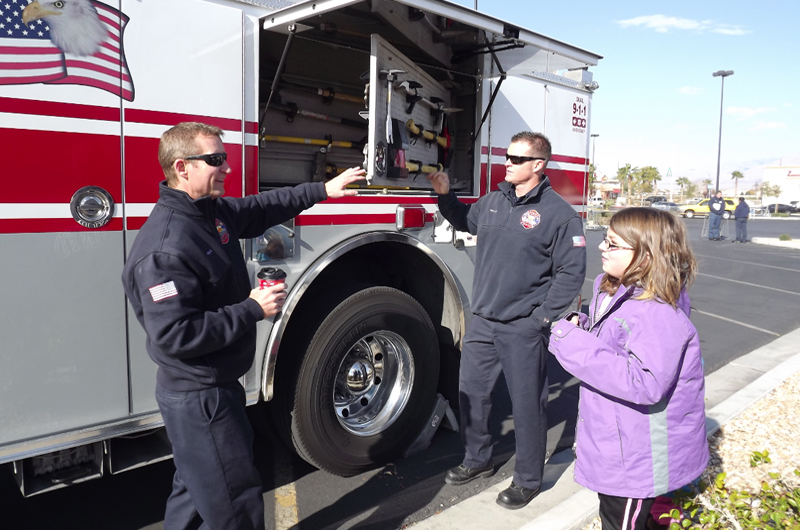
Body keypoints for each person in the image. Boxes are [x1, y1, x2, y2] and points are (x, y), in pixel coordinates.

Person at [121, 122, 365, 530]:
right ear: (182, 167)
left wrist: (324, 190)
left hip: (214, 387)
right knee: (234, 502)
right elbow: (176, 335)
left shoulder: (208, 213)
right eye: (215, 160)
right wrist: (251, 309)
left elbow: (260, 208)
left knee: (197, 492)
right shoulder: (165, 248)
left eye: (225, 158)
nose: (227, 168)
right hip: (201, 397)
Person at [427, 132, 586, 510]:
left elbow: (570, 271)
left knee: (528, 405)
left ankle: (529, 479)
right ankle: (477, 460)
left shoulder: (560, 215)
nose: (507, 163)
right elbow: (465, 221)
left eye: (516, 158)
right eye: (506, 156)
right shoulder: (493, 201)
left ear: (538, 165)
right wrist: (445, 194)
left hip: (523, 327)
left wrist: (541, 318)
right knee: (473, 397)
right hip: (482, 322)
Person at [548, 208, 708, 530]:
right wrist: (588, 327)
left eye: (612, 244)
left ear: (646, 257)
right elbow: (620, 340)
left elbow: (644, 381)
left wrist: (573, 341)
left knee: (623, 522)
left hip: (637, 461)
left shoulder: (657, 311)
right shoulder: (613, 289)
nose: (601, 248)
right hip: (621, 445)